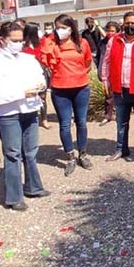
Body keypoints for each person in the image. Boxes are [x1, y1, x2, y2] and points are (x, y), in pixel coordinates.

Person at [0, 22, 49, 211]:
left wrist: (40, 86)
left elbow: (40, 76)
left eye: (20, 40)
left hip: (30, 110)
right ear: (2, 40)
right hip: (7, 112)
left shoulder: (28, 59)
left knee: (31, 151)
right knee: (13, 153)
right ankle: (14, 196)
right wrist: (20, 93)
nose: (18, 43)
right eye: (14, 40)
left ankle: (34, 186)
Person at [40, 14, 93, 176]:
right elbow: (45, 61)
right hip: (60, 89)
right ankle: (70, 156)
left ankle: (82, 154)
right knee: (64, 124)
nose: (60, 30)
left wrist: (77, 75)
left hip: (81, 88)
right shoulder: (51, 44)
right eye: (58, 27)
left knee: (81, 122)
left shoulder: (82, 43)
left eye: (64, 27)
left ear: (71, 28)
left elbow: (88, 63)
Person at [101, 12, 134, 163]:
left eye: (133, 23)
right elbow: (106, 61)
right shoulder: (114, 40)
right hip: (120, 89)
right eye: (127, 23)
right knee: (121, 122)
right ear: (123, 24)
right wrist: (105, 79)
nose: (130, 26)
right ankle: (121, 149)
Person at [23, 23, 51, 129]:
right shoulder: (22, 45)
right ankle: (32, 118)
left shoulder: (41, 42)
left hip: (41, 72)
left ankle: (44, 119)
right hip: (27, 74)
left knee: (43, 97)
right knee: (30, 96)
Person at [97, 21, 119, 126]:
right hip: (106, 73)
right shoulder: (102, 43)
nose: (110, 33)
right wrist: (100, 70)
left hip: (118, 72)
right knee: (108, 95)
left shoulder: (119, 42)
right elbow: (99, 57)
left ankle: (119, 114)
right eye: (109, 30)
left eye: (113, 31)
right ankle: (108, 115)